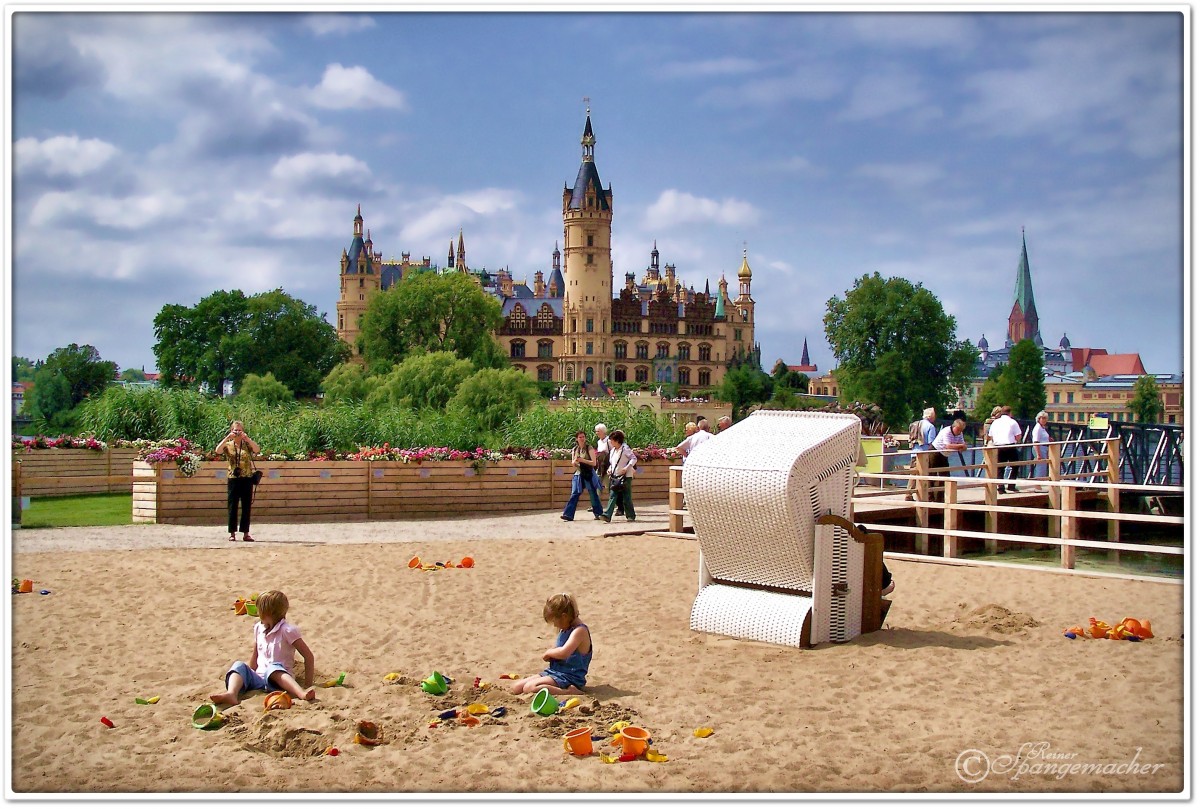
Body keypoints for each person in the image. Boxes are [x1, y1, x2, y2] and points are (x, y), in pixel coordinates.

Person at [210, 590, 316, 706]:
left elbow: (308, 656)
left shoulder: (287, 631)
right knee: (239, 665)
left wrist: (308, 684)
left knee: (273, 668)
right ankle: (231, 694)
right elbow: (255, 655)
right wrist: (249, 673)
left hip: (280, 681)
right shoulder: (258, 628)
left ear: (267, 612)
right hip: (259, 679)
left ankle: (301, 693)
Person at [509, 593, 592, 696]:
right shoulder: (565, 629)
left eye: (555, 622)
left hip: (570, 677)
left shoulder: (580, 631)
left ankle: (569, 691)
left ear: (564, 617)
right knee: (517, 687)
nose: (555, 625)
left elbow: (564, 653)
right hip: (555, 672)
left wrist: (549, 653)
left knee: (530, 688)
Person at [215, 420, 260, 542]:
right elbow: (217, 451)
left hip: (247, 478)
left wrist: (248, 439)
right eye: (235, 430)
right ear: (231, 431)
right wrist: (227, 438)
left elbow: (257, 450)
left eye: (239, 430)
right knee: (232, 506)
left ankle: (246, 533)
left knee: (246, 506)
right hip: (233, 478)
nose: (237, 433)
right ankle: (232, 533)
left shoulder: (247, 445)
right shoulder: (228, 445)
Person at [561, 431, 603, 521]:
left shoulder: (589, 448)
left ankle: (598, 513)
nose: (582, 438)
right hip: (578, 473)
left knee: (592, 493)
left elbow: (594, 463)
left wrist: (582, 460)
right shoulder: (575, 449)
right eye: (580, 437)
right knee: (575, 493)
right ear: (577, 439)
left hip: (588, 473)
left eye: (583, 437)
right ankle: (568, 514)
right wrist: (575, 462)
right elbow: (573, 462)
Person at [602, 429, 637, 523]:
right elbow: (612, 463)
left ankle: (631, 515)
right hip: (615, 476)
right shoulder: (613, 450)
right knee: (613, 495)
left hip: (626, 476)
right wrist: (610, 469)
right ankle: (607, 515)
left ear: (617, 440)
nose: (611, 442)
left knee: (626, 497)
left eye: (612, 440)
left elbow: (634, 459)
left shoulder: (625, 449)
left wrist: (626, 468)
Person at [904, 408, 939, 501]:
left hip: (914, 452)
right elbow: (932, 443)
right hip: (924, 454)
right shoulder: (930, 427)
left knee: (913, 474)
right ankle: (918, 495)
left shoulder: (915, 424)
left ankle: (910, 493)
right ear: (930, 416)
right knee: (924, 474)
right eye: (934, 416)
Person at [931, 418, 968, 501]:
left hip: (945, 454)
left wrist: (961, 446)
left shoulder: (960, 433)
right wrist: (960, 446)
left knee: (945, 476)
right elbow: (948, 445)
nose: (959, 432)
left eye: (961, 430)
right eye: (958, 430)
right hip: (936, 451)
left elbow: (963, 446)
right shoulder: (946, 431)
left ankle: (940, 498)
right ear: (953, 427)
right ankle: (930, 497)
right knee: (932, 474)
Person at [988, 405, 1023, 493]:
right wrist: (1016, 440)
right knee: (1015, 466)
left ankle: (1000, 488)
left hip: (998, 447)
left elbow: (990, 436)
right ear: (1010, 413)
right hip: (1010, 446)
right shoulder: (1012, 422)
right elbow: (1018, 436)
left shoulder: (995, 422)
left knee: (1000, 468)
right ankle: (1011, 485)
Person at [1031, 410, 1051, 489]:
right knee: (1040, 466)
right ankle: (1037, 485)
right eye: (1042, 418)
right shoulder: (1037, 428)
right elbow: (1036, 441)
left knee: (1043, 466)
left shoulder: (1042, 428)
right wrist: (1038, 453)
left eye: (1045, 418)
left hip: (1044, 447)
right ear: (1038, 419)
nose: (1044, 420)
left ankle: (1039, 484)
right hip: (1040, 448)